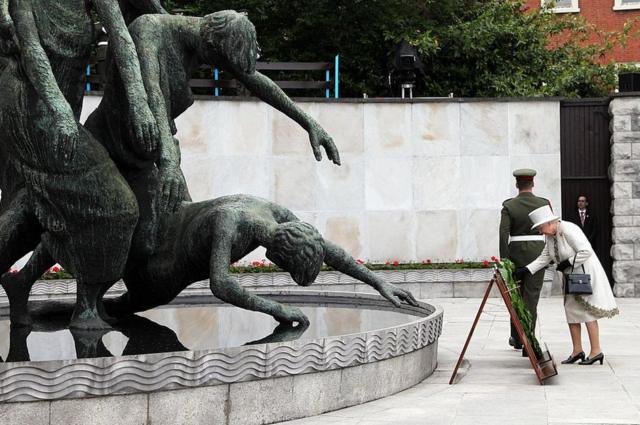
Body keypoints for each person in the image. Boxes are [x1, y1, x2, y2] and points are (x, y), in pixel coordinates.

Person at [0, 0, 165, 329]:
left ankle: (30, 288)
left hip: (62, 106)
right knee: (117, 205)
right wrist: (60, 111)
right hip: (28, 103)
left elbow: (121, 37)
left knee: (33, 203)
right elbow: (32, 50)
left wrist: (139, 103)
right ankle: (86, 308)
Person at [8, 194, 419, 326]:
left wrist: (377, 282)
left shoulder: (275, 217)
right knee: (114, 305)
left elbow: (329, 248)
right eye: (284, 268)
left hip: (163, 230)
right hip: (162, 273)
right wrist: (277, 309)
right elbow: (221, 284)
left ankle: (28, 283)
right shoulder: (233, 222)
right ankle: (36, 286)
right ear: (280, 254)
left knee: (111, 308)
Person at [516, 205, 618, 365]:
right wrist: (526, 270)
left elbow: (586, 250)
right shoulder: (550, 236)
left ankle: (596, 351)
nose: (540, 232)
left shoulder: (569, 229)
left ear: (550, 223)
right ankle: (577, 351)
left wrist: (567, 263)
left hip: (583, 275)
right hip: (570, 277)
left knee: (587, 311)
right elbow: (545, 257)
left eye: (541, 228)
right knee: (571, 311)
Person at [499, 169, 551, 351]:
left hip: (516, 257)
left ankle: (517, 338)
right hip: (538, 255)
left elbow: (503, 234)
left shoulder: (509, 206)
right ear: (533, 183)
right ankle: (528, 341)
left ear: (517, 184)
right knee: (531, 300)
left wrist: (504, 260)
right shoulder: (543, 203)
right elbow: (551, 228)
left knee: (515, 297)